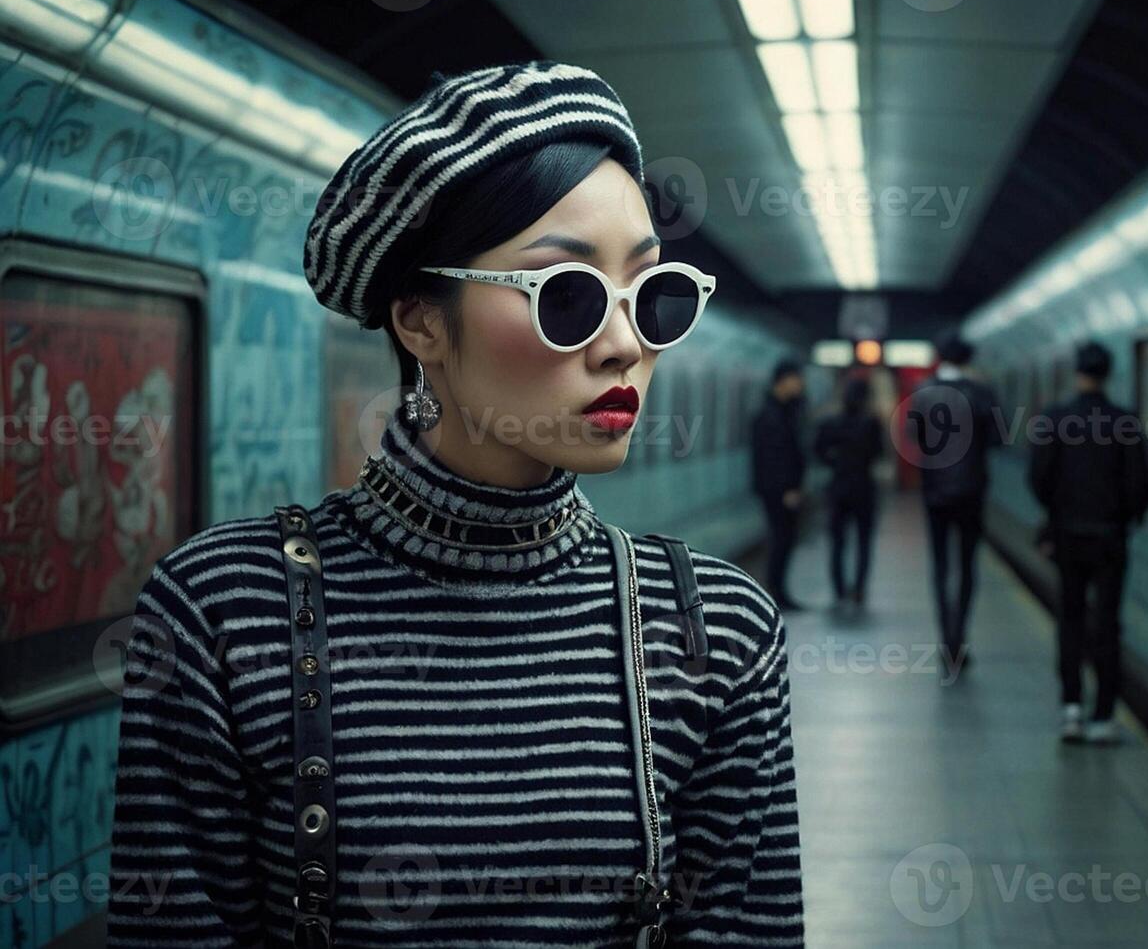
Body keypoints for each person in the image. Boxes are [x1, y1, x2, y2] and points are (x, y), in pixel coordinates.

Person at [106, 62, 805, 948]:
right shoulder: (222, 616)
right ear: (421, 321)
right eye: (569, 296)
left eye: (651, 295)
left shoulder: (716, 629)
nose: (625, 344)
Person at [1028, 340, 1148, 745]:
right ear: (1108, 374)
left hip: (1067, 535)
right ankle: (1103, 715)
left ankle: (1071, 709)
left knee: (1070, 618)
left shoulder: (1056, 419)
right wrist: (1126, 517)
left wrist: (1056, 512)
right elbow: (1141, 483)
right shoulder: (1125, 422)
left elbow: (1039, 477)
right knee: (1108, 624)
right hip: (1110, 537)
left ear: (1077, 373)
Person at [914, 331, 1001, 681]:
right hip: (971, 493)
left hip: (935, 492)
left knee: (939, 567)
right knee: (966, 567)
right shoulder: (982, 393)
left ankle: (944, 642)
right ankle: (959, 641)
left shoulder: (923, 393)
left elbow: (916, 439)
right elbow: (998, 438)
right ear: (968, 359)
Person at [814, 374, 883, 608]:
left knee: (837, 542)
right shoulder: (872, 423)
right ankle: (860, 588)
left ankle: (839, 589)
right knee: (864, 542)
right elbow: (878, 453)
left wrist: (836, 461)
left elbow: (818, 451)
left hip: (838, 487)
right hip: (864, 488)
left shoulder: (830, 422)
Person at [752, 359, 807, 611]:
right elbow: (773, 457)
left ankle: (779, 590)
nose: (800, 385)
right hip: (779, 491)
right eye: (796, 379)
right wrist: (787, 489)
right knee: (780, 540)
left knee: (783, 539)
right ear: (783, 380)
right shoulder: (771, 415)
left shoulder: (783, 410)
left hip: (780, 489)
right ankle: (775, 592)